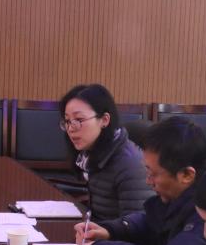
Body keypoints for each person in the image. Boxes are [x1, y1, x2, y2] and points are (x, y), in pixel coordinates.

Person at [64, 117, 206, 245]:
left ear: (186, 175)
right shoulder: (179, 196)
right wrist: (110, 230)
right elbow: (150, 221)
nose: (148, 181)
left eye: (153, 174)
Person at [58, 83, 152, 222]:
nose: (71, 128)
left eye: (79, 120)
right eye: (67, 121)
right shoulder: (92, 155)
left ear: (104, 120)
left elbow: (137, 227)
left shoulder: (129, 165)